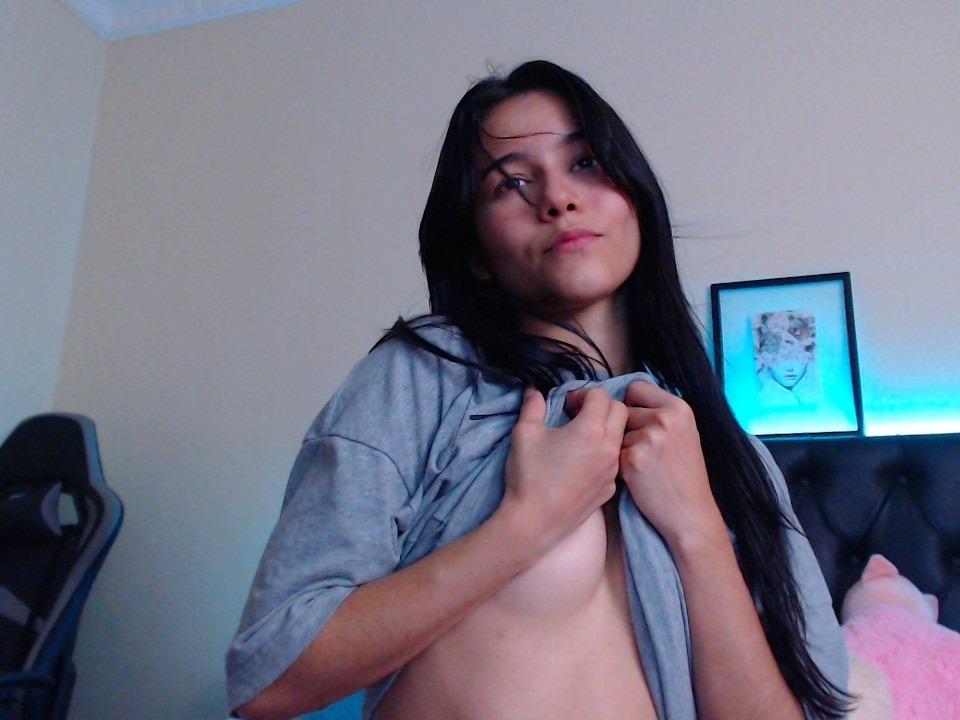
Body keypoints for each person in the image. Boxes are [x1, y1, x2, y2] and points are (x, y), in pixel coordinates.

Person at [226, 60, 855, 720]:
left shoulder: (729, 455)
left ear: (636, 200)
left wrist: (697, 525)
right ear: (476, 251)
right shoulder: (425, 375)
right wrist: (527, 524)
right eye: (512, 184)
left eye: (586, 163)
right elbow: (270, 677)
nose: (557, 199)